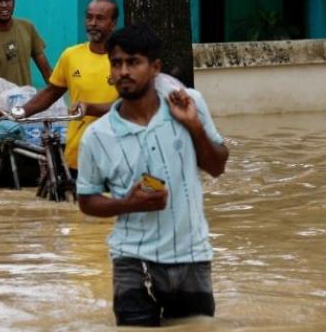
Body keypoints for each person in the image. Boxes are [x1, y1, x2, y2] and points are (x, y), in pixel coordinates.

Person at [76, 23, 229, 327]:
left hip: (191, 256)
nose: (123, 72)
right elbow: (86, 201)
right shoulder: (97, 136)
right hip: (131, 259)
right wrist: (128, 204)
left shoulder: (189, 104)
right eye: (117, 63)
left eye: (133, 62)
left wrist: (193, 126)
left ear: (155, 67)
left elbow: (217, 166)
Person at [18, 0, 121, 174]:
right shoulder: (71, 55)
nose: (93, 23)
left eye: (100, 18)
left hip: (116, 155)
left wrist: (90, 108)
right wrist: (18, 112)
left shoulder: (124, 60)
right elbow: (51, 92)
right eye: (89, 17)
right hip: (77, 154)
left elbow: (129, 106)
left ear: (113, 23)